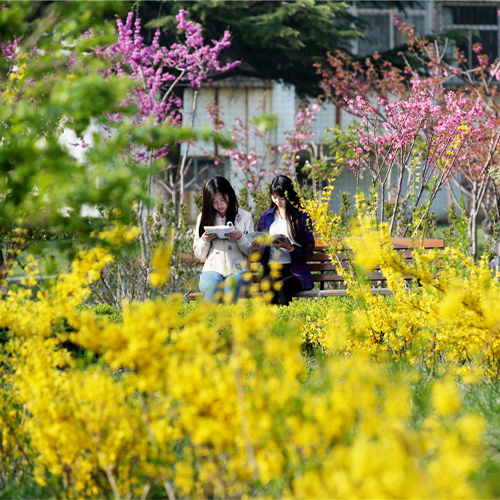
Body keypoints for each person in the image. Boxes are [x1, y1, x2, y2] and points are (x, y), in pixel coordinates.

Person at [253, 174, 315, 306]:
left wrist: (290, 248)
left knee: (282, 286)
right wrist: (258, 246)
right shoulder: (266, 217)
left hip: (294, 270)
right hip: (271, 268)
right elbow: (260, 250)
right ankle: (273, 323)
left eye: (282, 197)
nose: (278, 201)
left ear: (290, 196)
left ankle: (285, 322)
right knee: (268, 285)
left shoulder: (301, 218)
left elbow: (309, 251)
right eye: (274, 197)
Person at [193, 176, 254, 302]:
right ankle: (209, 321)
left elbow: (252, 252)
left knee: (231, 286)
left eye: (222, 199)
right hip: (211, 271)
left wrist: (240, 237)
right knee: (213, 285)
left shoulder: (245, 217)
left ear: (230, 195)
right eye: (214, 201)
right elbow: (199, 255)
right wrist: (205, 240)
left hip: (239, 272)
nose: (219, 205)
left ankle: (228, 321)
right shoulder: (203, 217)